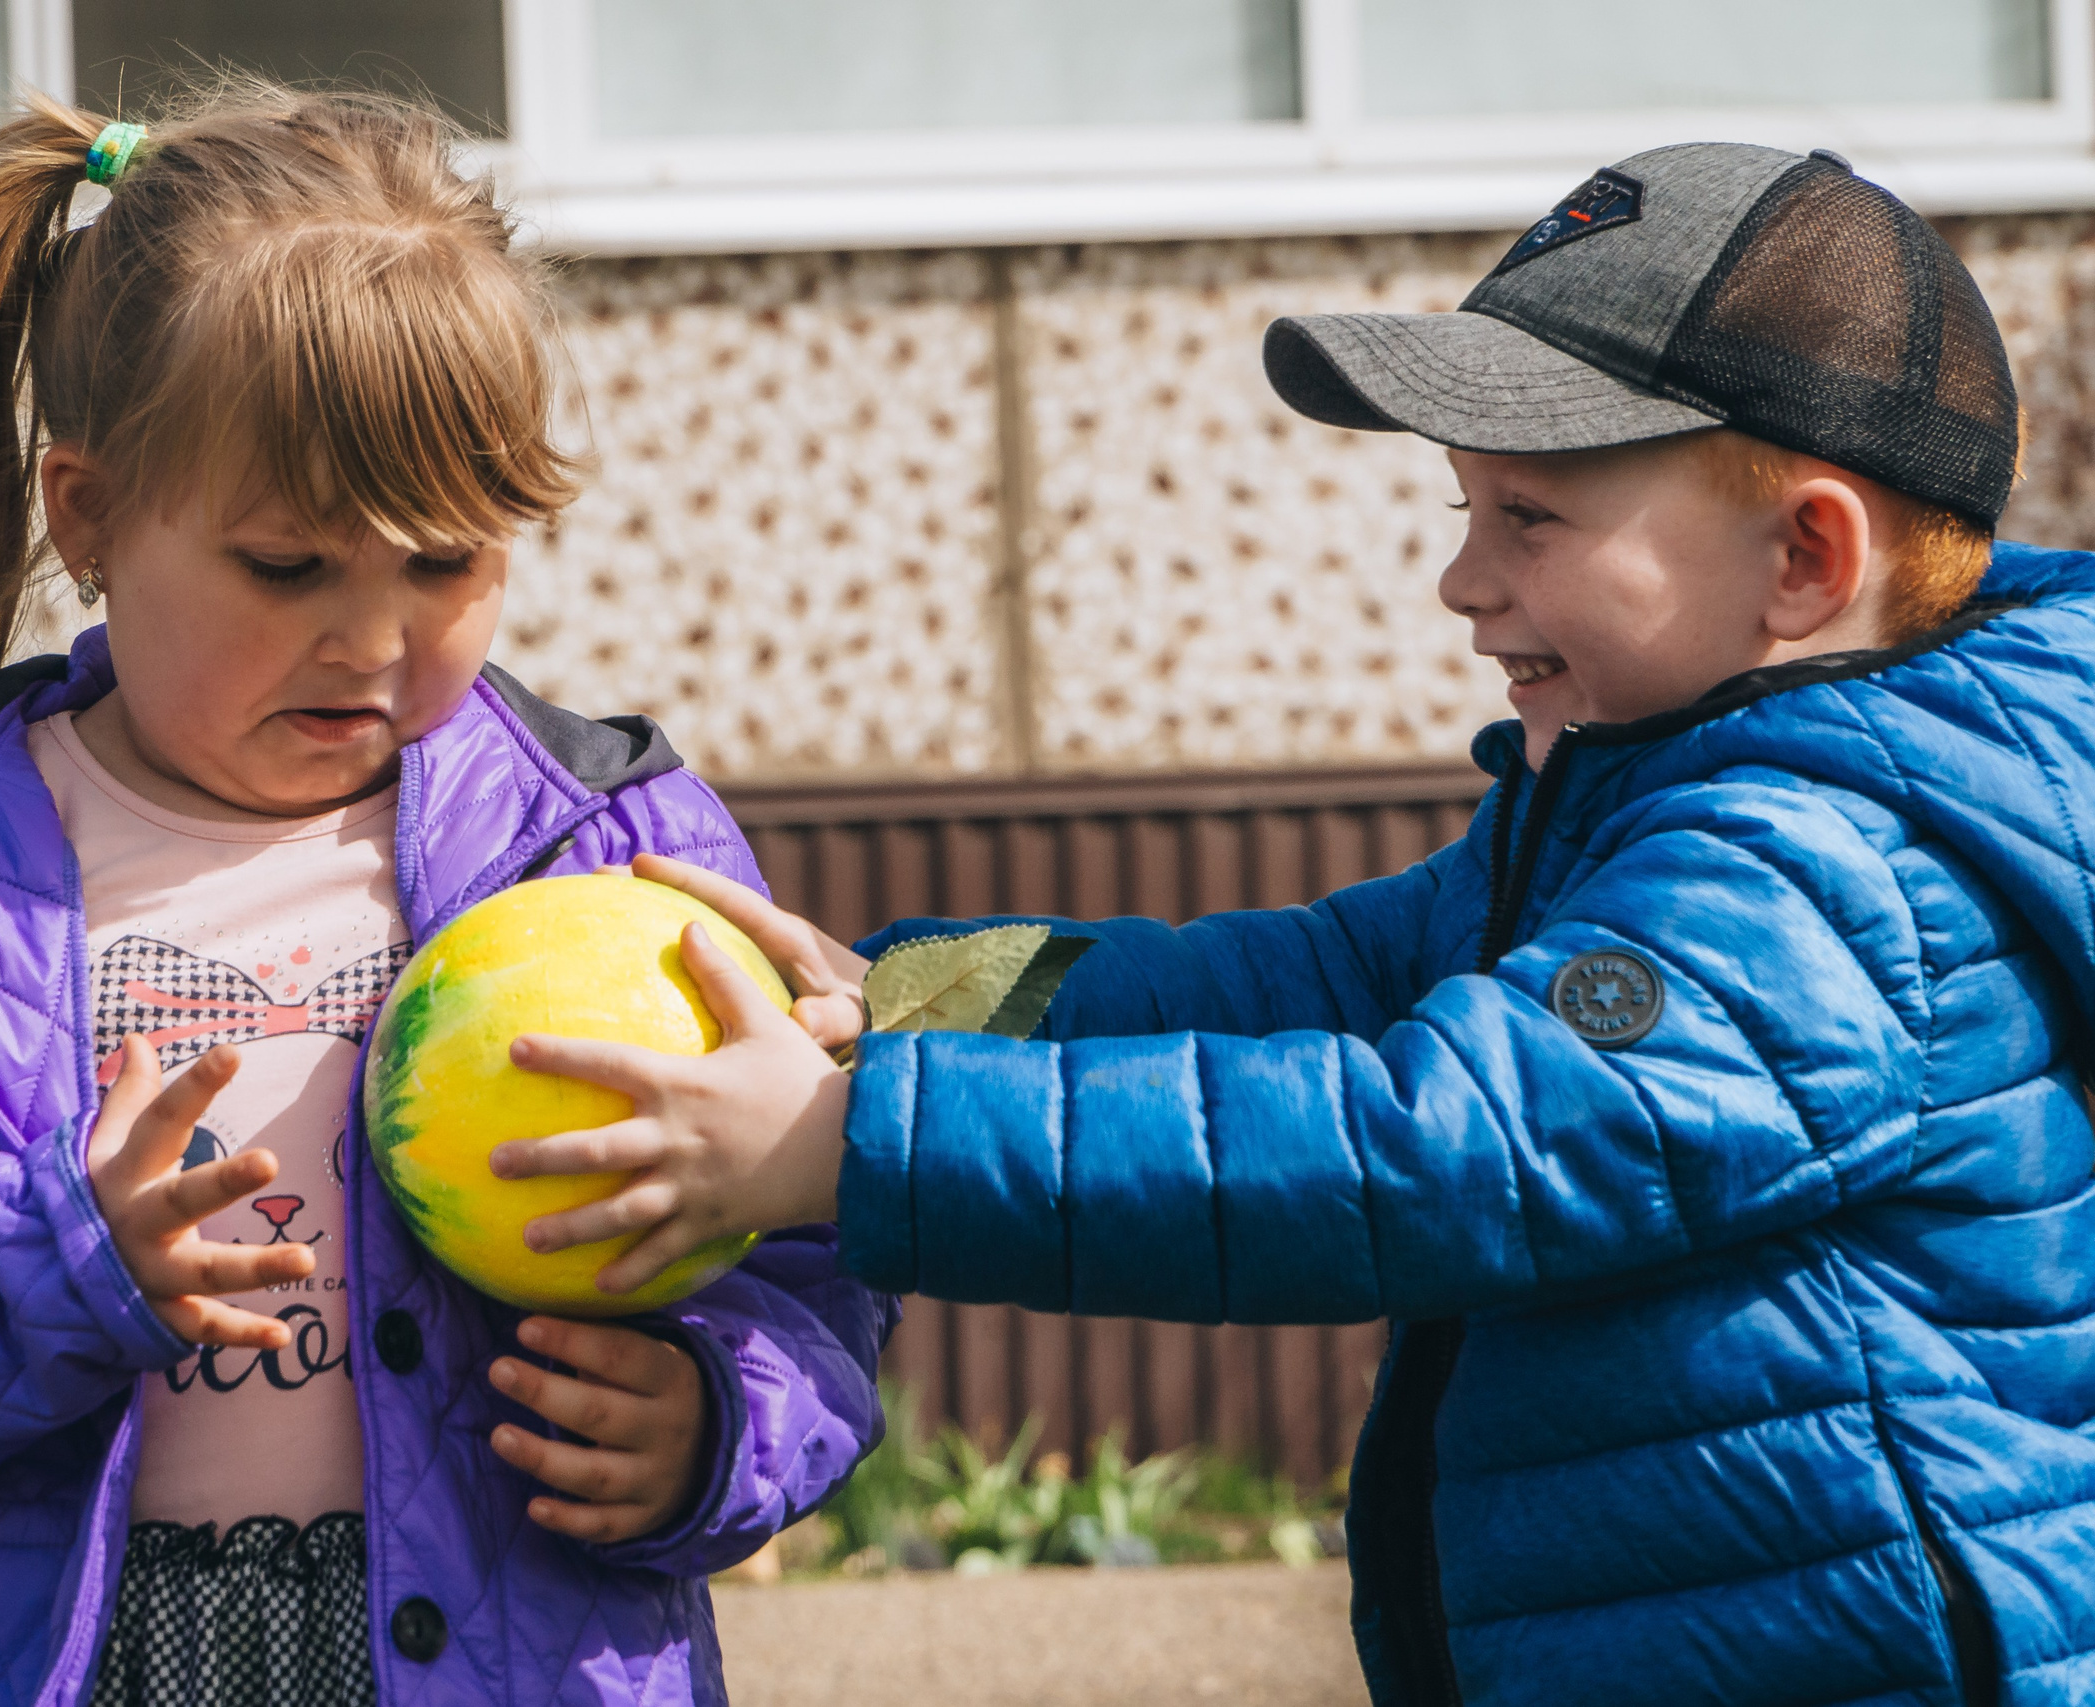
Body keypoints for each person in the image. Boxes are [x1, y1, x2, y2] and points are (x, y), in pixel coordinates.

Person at [489, 143, 2095, 1706]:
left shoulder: (1823, 871)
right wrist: (919, 997)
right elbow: (1326, 980)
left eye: (1528, 521)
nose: (1462, 582)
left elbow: (1435, 1150)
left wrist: (862, 1145)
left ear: (1806, 557)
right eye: (1467, 512)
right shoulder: (1657, 802)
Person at [0, 86, 890, 1707]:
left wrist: (717, 1420)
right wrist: (56, 1264)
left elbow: (817, 1246)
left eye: (448, 562)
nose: (372, 638)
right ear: (89, 514)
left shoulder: (610, 845)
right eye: (290, 568)